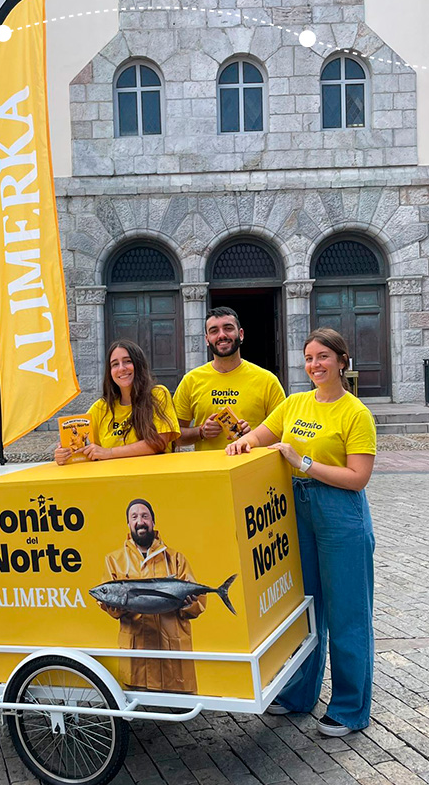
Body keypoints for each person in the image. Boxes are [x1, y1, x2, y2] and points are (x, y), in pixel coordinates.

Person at [226, 327, 377, 737]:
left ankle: (349, 707)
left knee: (347, 612)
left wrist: (303, 462)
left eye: (323, 357)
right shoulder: (294, 403)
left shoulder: (355, 413)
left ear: (341, 361)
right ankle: (299, 693)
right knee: (305, 607)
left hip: (340, 512)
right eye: (309, 358)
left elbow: (358, 477)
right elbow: (262, 435)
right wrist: (243, 443)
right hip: (297, 509)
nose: (315, 365)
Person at [98, 499, 206, 693]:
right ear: (128, 524)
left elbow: (199, 604)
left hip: (172, 658)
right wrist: (114, 607)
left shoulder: (176, 559)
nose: (140, 521)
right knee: (139, 707)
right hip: (138, 661)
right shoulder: (114, 560)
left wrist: (189, 604)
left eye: (145, 516)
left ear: (153, 522)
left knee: (180, 708)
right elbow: (110, 607)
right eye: (134, 517)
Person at [173, 307, 286, 452]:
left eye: (228, 328)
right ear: (207, 339)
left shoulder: (267, 380)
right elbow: (173, 436)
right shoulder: (191, 380)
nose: (222, 335)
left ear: (241, 334)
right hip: (208, 466)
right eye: (214, 331)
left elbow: (284, 432)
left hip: (253, 465)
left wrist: (253, 436)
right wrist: (200, 432)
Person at [55, 340, 180, 464]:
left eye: (127, 361)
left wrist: (108, 453)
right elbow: (83, 450)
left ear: (139, 364)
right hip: (113, 477)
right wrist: (64, 455)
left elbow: (159, 442)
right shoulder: (100, 407)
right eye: (115, 364)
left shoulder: (158, 395)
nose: (121, 368)